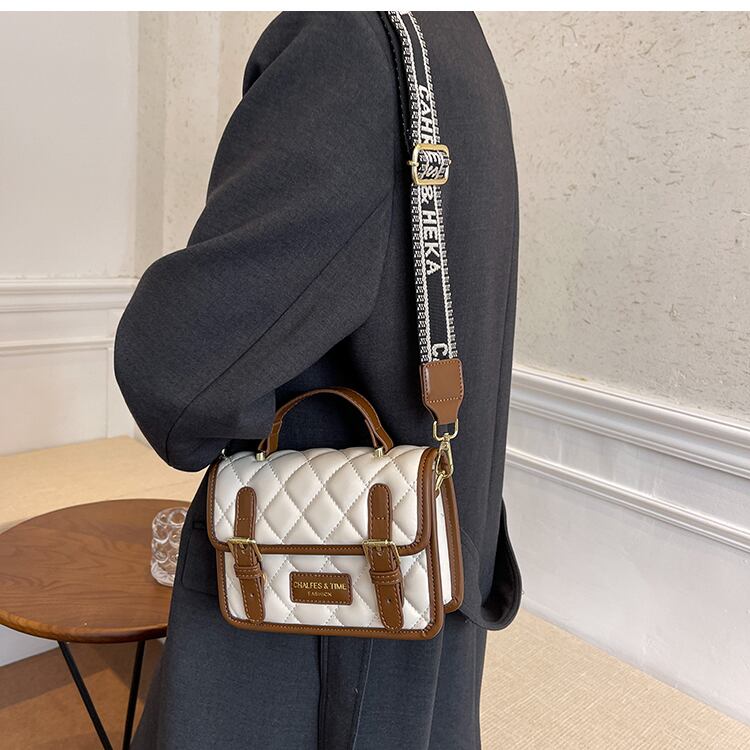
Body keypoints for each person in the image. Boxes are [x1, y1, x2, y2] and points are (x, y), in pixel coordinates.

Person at [115, 11, 521, 749]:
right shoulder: (454, 43)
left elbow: (176, 374)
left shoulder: (350, 42)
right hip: (424, 591)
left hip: (317, 635)